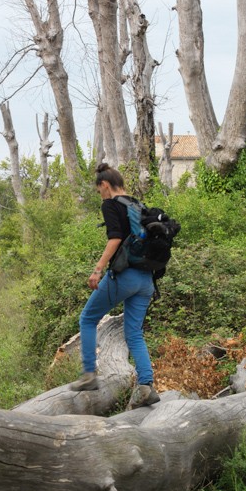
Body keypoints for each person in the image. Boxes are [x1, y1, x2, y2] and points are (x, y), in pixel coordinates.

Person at [69, 163, 160, 409]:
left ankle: (89, 375)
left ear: (105, 185)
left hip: (125, 276)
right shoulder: (137, 203)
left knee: (88, 318)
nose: (101, 195)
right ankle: (146, 385)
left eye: (100, 191)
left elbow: (116, 238)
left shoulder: (110, 204)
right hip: (146, 280)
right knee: (134, 333)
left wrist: (98, 270)